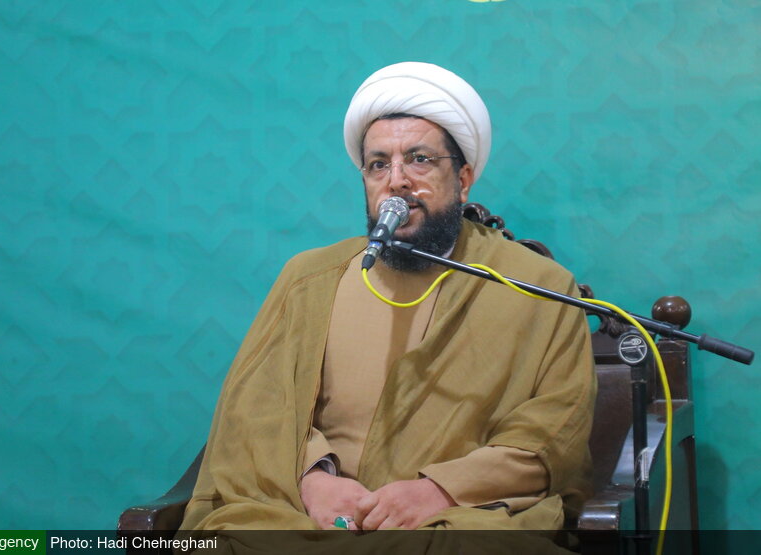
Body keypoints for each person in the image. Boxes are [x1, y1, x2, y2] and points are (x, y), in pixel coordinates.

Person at [177, 62, 596, 534]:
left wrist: (438, 492)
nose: (396, 180)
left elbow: (552, 431)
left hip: (454, 517)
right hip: (308, 515)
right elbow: (256, 408)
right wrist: (314, 480)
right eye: (379, 164)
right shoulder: (309, 279)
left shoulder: (537, 287)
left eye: (419, 159)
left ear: (462, 179)